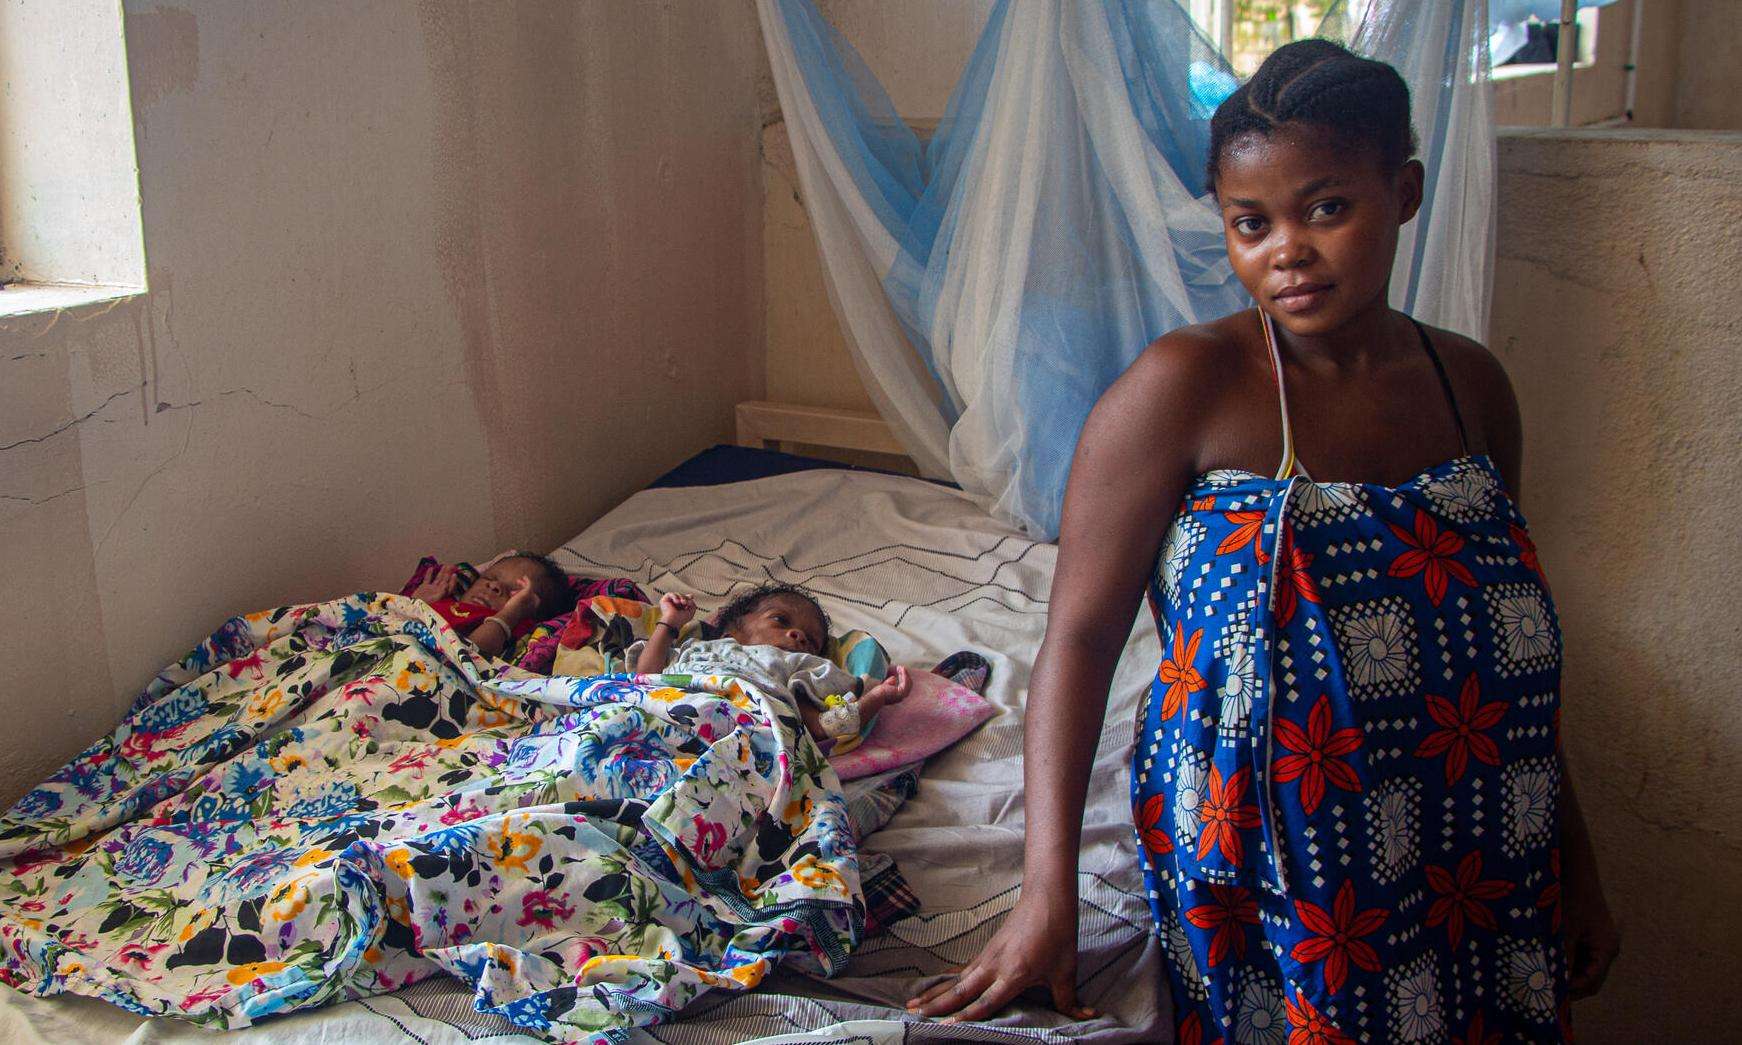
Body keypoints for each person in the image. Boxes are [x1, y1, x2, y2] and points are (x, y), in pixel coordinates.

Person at [907, 39, 1617, 1041]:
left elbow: (1507, 662)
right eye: (1250, 223)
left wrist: (1568, 862)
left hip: (1473, 834)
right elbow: (1074, 642)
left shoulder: (1469, 390)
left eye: (1324, 208)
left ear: (1402, 192)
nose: (1285, 248)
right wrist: (1044, 895)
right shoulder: (1184, 388)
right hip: (1277, 848)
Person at [636, 583, 911, 751]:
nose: (798, 634)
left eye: (812, 641)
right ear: (733, 626)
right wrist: (670, 622)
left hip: (725, 741)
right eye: (781, 620)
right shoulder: (697, 647)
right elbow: (643, 676)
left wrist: (877, 698)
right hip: (648, 718)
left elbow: (823, 727)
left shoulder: (794, 668)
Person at [407, 553, 571, 659]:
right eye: (489, 577)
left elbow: (470, 658)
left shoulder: (509, 628)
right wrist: (414, 603)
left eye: (515, 591)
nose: (494, 586)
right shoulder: (440, 601)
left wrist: (509, 615)